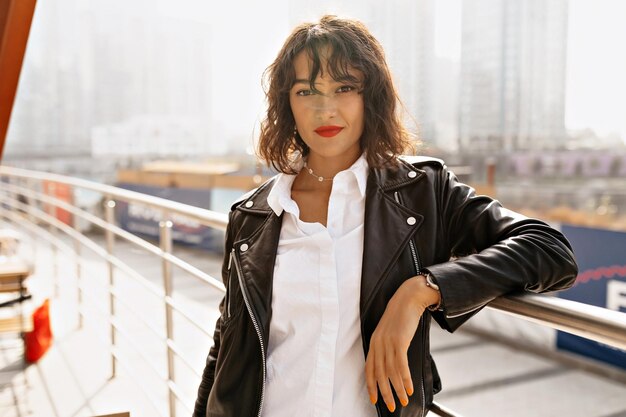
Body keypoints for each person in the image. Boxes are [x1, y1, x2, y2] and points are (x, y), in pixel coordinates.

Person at [193, 15, 578, 417]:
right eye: (306, 91)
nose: (325, 108)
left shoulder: (422, 192)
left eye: (344, 87)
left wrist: (421, 291)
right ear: (287, 103)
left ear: (370, 96)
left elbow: (549, 250)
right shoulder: (253, 215)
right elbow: (227, 341)